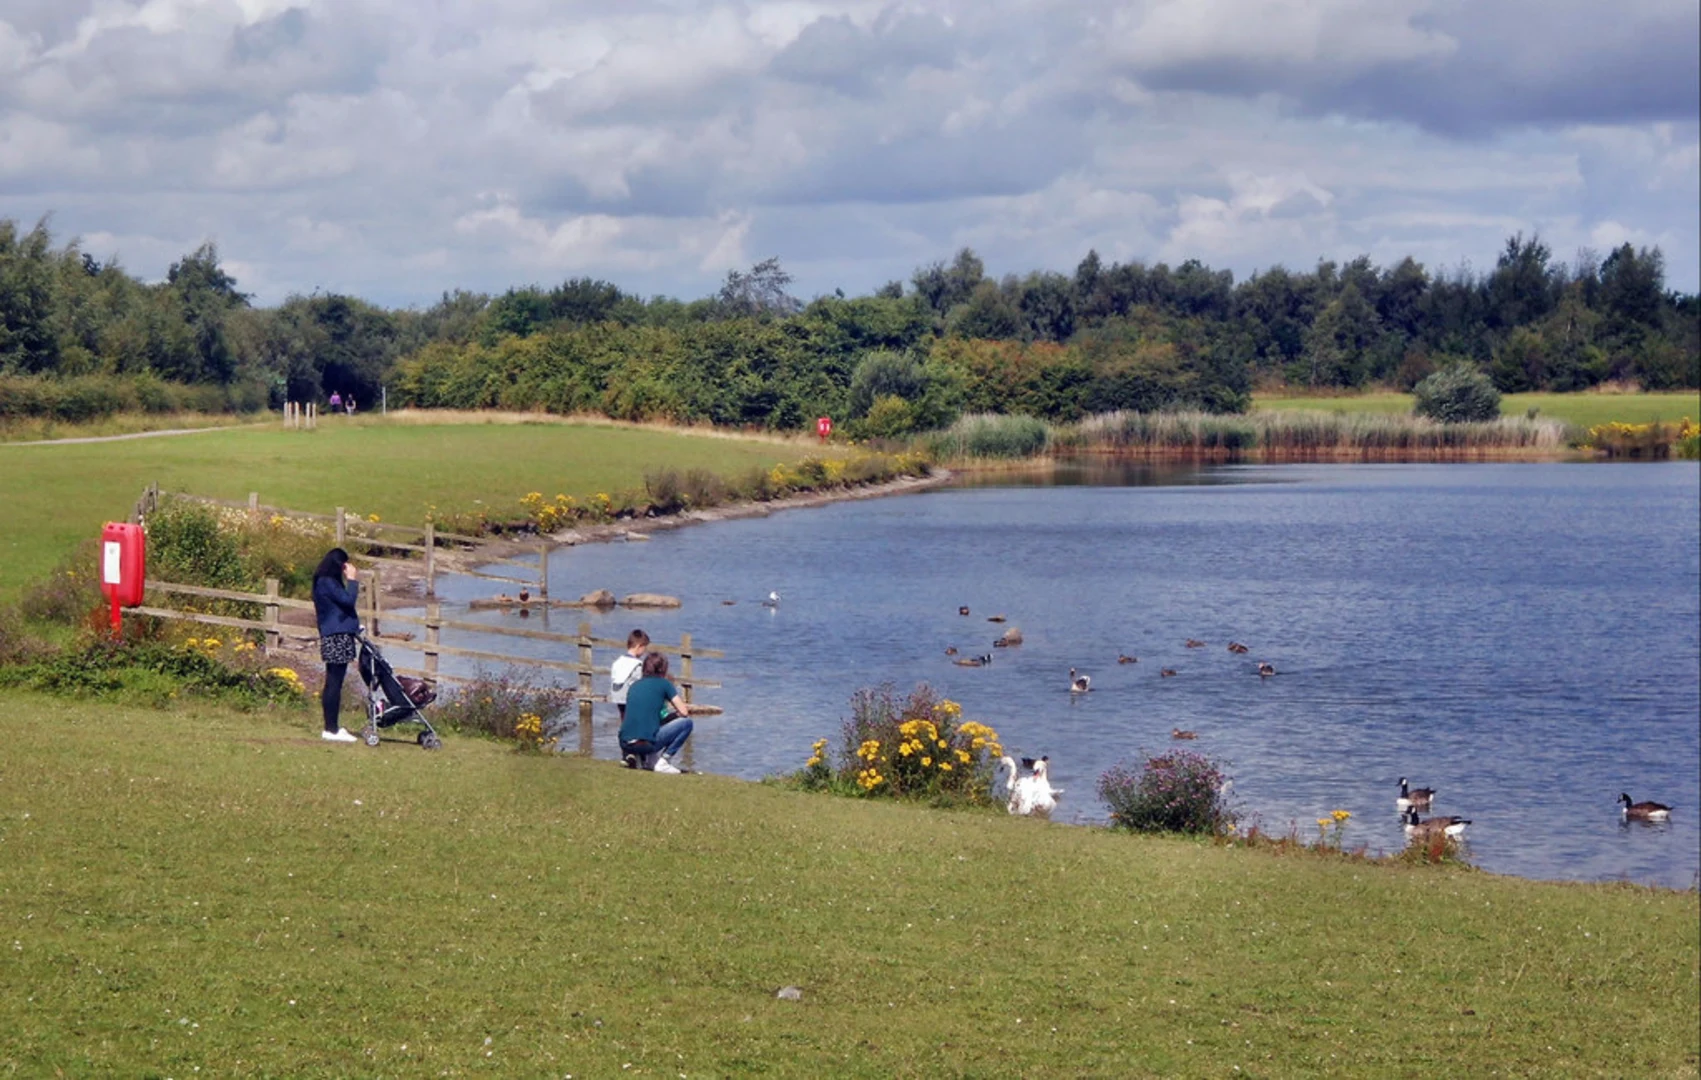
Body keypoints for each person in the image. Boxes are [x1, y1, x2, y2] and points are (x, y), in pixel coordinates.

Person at [312, 547, 361, 742]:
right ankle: (330, 729)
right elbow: (348, 601)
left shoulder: (324, 582)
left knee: (335, 681)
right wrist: (353, 580)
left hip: (337, 634)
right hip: (336, 636)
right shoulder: (327, 582)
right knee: (334, 682)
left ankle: (332, 727)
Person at [618, 652, 692, 774]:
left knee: (648, 725)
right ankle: (664, 761)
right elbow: (684, 712)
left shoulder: (634, 685)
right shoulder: (665, 684)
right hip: (646, 744)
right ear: (663, 669)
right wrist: (673, 716)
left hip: (625, 742)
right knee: (687, 723)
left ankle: (646, 759)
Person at [608, 628, 649, 722]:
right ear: (639, 646)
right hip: (630, 698)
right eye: (644, 648)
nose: (644, 652)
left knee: (624, 717)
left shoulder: (618, 662)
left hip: (617, 696)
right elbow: (640, 683)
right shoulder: (637, 664)